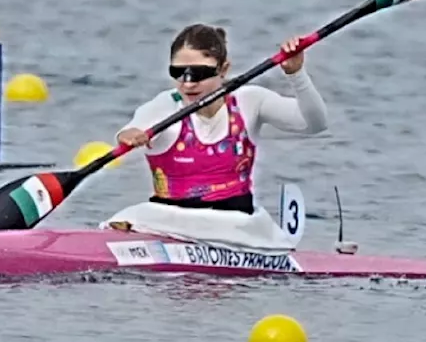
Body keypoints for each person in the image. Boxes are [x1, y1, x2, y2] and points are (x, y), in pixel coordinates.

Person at [100, 23, 328, 251]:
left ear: (224, 69)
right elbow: (132, 128)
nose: (188, 83)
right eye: (178, 73)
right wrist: (130, 135)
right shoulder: (165, 105)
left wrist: (296, 74)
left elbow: (314, 124)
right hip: (169, 220)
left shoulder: (250, 101)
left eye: (199, 73)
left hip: (235, 224)